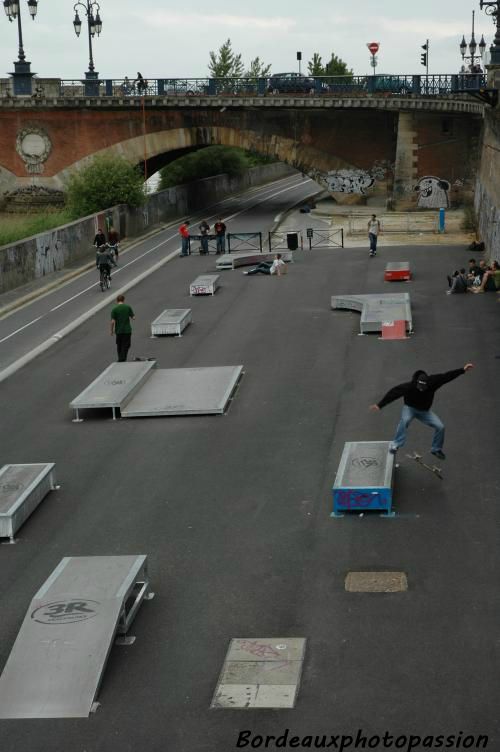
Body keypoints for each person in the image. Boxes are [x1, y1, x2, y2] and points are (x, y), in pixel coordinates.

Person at [369, 363, 474, 460]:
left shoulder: (433, 381)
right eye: (420, 387)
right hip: (409, 408)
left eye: (423, 388)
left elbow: (447, 376)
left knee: (440, 426)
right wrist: (380, 405)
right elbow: (394, 393)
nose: (421, 390)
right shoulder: (409, 386)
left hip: (424, 412)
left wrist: (462, 370)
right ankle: (395, 444)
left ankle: (436, 449)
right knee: (404, 421)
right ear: (416, 383)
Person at [110, 294, 135, 363]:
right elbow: (133, 317)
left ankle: (121, 358)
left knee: (119, 345)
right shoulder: (127, 307)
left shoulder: (114, 309)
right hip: (127, 330)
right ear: (123, 300)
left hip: (118, 331)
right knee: (127, 344)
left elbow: (112, 322)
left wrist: (111, 331)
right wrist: (131, 317)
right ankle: (122, 358)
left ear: (117, 300)